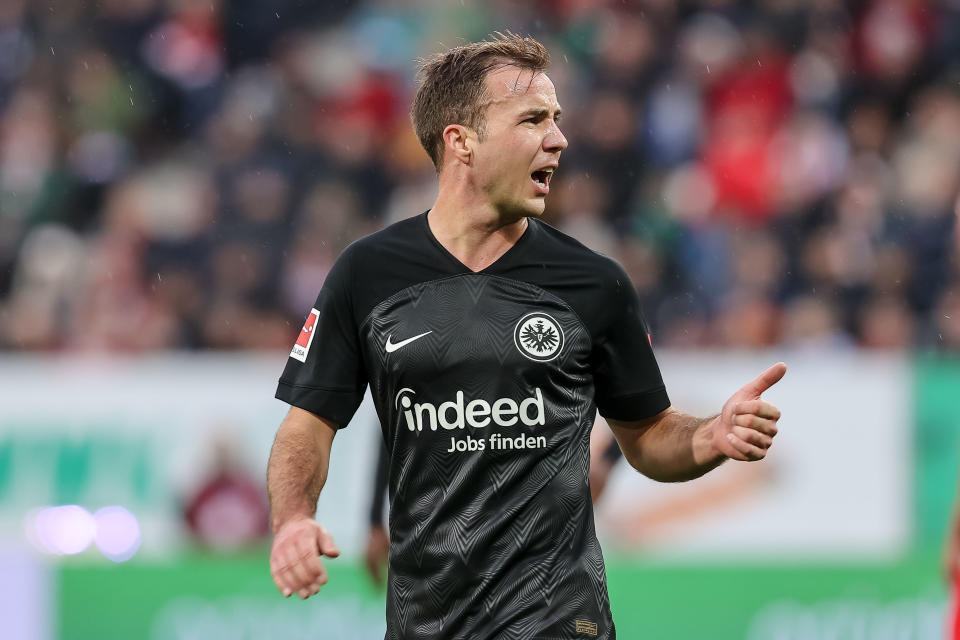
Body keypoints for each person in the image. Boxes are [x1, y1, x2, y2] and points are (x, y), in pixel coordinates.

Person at [266, 33, 786, 639]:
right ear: (460, 141)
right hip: (426, 625)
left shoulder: (593, 282)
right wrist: (294, 520)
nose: (559, 139)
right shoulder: (368, 274)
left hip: (560, 622)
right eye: (533, 119)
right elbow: (308, 424)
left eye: (557, 119)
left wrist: (710, 436)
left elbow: (648, 435)